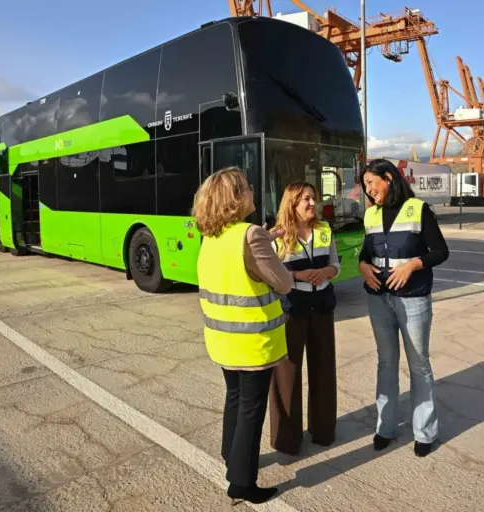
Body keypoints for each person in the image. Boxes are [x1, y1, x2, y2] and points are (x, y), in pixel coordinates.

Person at [192, 167, 293, 505]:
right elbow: (284, 283)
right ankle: (241, 483)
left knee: (234, 399)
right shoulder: (251, 235)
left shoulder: (212, 236)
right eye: (248, 187)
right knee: (252, 409)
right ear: (237, 198)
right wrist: (268, 245)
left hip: (222, 337)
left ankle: (229, 455)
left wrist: (266, 239)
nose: (253, 190)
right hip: (253, 342)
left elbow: (238, 269)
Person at [357, 158, 449, 457]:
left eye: (371, 183)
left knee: (419, 364)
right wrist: (362, 266)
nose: (368, 190)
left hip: (413, 299)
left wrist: (412, 265)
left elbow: (440, 251)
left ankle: (425, 432)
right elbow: (365, 252)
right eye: (365, 185)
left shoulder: (417, 209)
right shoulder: (370, 215)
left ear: (388, 178)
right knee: (386, 362)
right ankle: (385, 428)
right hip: (378, 299)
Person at [268, 182, 340, 455]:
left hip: (322, 307)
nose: (313, 203)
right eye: (306, 199)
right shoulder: (277, 236)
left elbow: (336, 263)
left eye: (313, 198)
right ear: (292, 204)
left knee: (324, 369)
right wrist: (296, 276)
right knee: (287, 374)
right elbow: (271, 275)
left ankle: (323, 431)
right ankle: (287, 440)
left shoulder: (324, 231)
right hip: (292, 310)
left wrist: (328, 272)